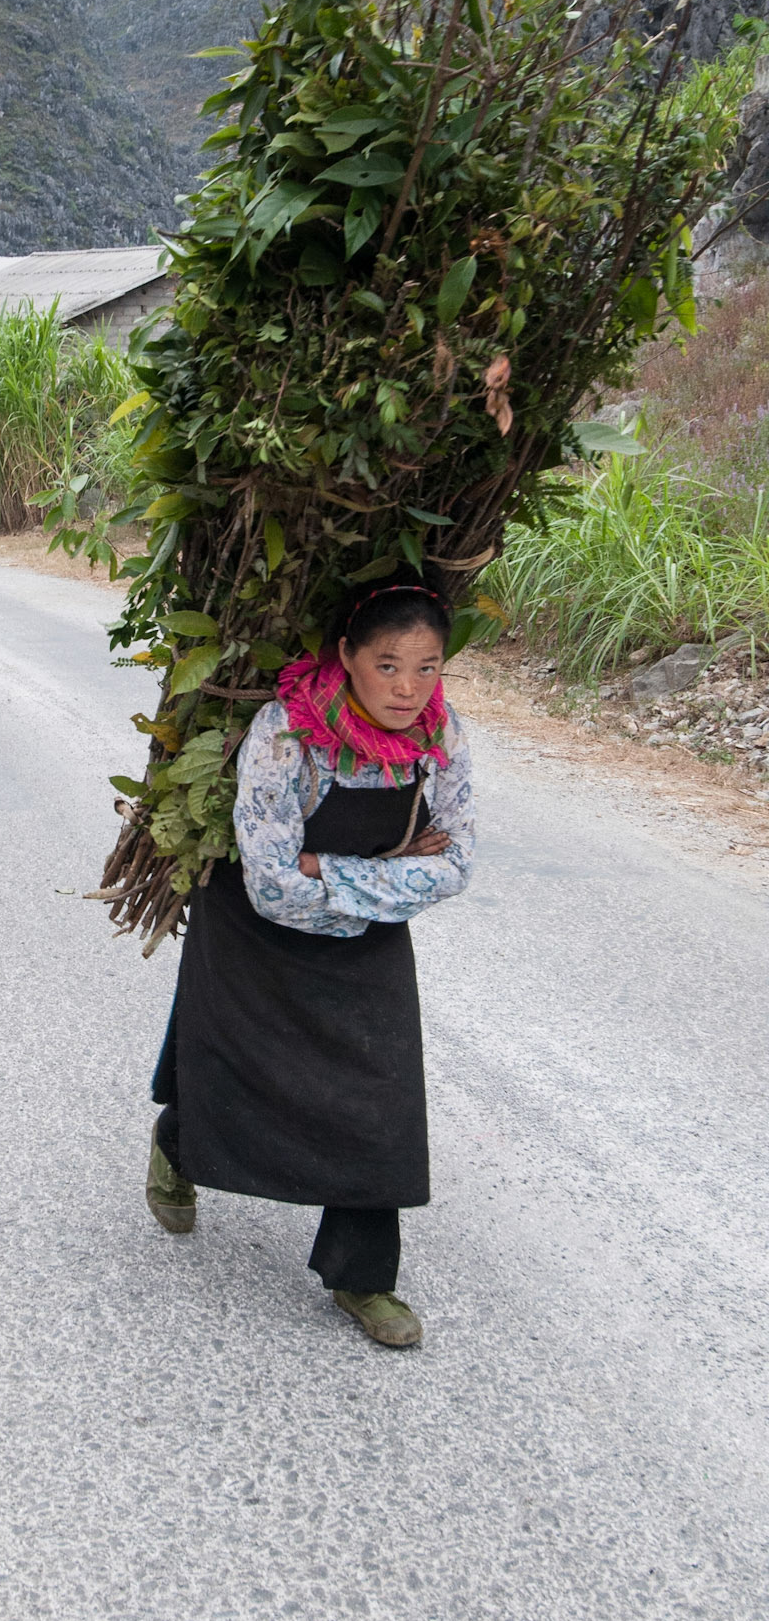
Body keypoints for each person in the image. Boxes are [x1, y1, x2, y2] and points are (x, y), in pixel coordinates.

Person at [147, 566, 475, 1349]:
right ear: (346, 656)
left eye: (427, 667)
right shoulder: (286, 731)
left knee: (379, 1097)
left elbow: (457, 865)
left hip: (363, 940)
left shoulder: (441, 736)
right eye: (388, 665)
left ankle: (363, 1276)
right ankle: (177, 1145)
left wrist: (325, 868)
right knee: (237, 1066)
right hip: (253, 934)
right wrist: (392, 871)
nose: (408, 689)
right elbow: (266, 884)